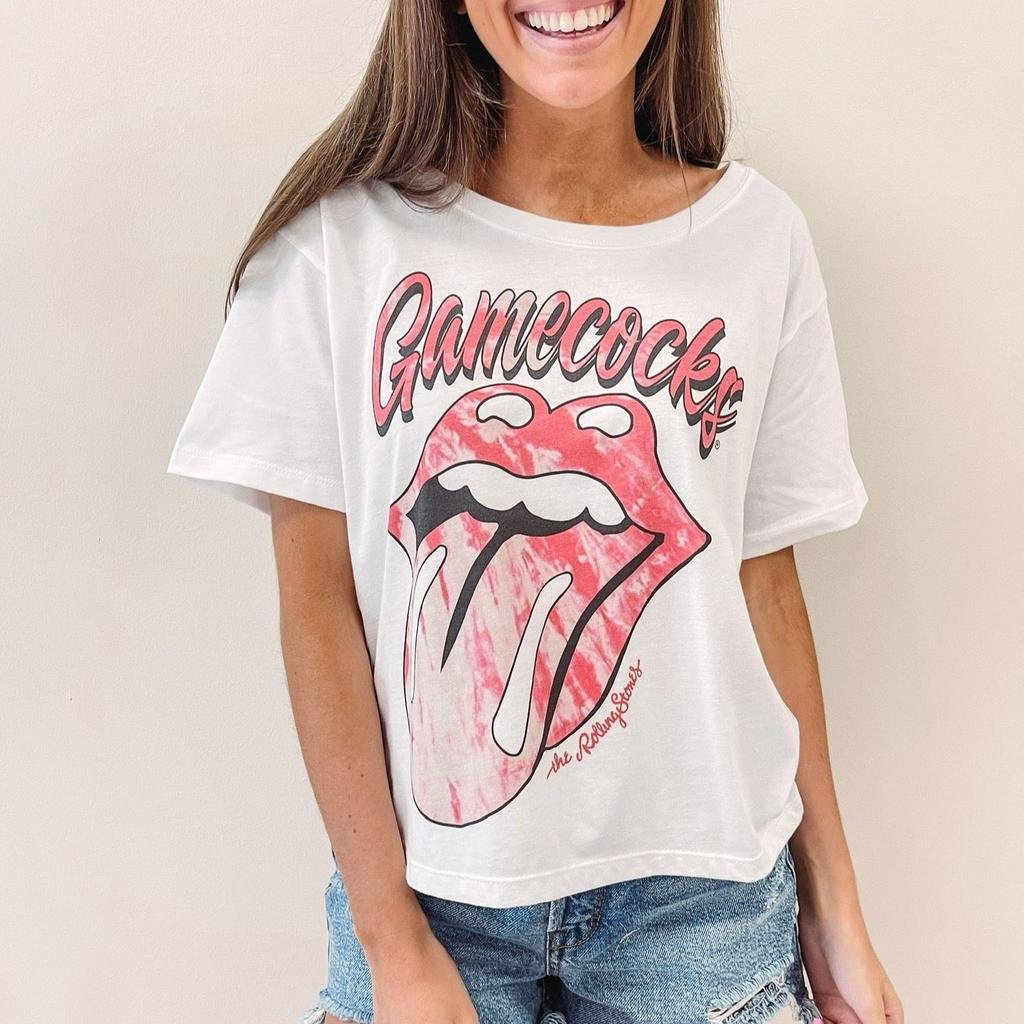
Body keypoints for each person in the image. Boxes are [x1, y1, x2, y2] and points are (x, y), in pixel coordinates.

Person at [168, 1, 904, 1022]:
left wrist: (838, 910)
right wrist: (390, 940)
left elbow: (762, 585)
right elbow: (318, 605)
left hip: (704, 898)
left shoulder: (756, 237)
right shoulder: (339, 243)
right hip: (428, 896)